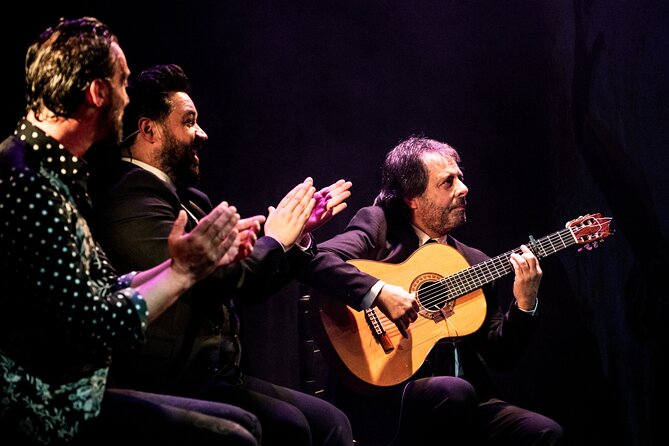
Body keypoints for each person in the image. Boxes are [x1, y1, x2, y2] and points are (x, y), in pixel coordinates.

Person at [0, 17, 265, 445]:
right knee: (234, 436)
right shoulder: (30, 181)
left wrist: (183, 263)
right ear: (97, 93)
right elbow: (95, 326)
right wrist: (182, 274)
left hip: (74, 392)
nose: (128, 97)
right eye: (122, 83)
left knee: (246, 427)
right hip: (47, 406)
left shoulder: (56, 171)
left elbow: (105, 286)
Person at [86, 63, 354, 446]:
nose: (202, 134)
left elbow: (248, 281)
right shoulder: (128, 199)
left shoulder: (191, 200)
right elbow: (223, 279)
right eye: (189, 122)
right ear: (148, 130)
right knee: (292, 427)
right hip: (174, 380)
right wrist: (277, 240)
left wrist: (295, 237)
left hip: (220, 375)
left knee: (332, 422)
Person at [298, 136, 564, 445]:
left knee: (544, 433)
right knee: (452, 392)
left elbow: (501, 356)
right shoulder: (378, 228)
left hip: (462, 398)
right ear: (412, 196)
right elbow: (317, 260)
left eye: (461, 178)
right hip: (390, 397)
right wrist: (379, 291)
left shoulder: (474, 262)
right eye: (448, 182)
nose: (463, 189)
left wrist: (525, 303)